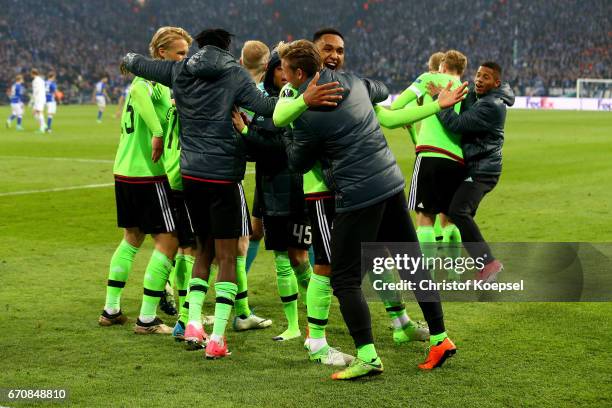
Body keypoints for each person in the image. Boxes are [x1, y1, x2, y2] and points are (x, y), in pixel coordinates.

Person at [279, 40, 465, 379]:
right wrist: (433, 103)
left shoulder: (305, 115)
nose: (282, 76)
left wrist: (288, 133)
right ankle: (439, 338)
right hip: (390, 183)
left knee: (345, 278)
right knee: (411, 263)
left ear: (299, 73)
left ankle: (368, 355)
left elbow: (297, 162)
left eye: (286, 70)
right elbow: (381, 92)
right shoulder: (356, 82)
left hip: (357, 194)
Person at [274, 29, 428, 349]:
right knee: (326, 265)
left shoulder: (350, 86)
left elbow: (385, 103)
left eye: (340, 51)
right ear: (313, 56)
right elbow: (284, 128)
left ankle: (400, 322)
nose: (334, 55)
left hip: (355, 189)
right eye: (327, 49)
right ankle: (315, 339)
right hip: (322, 191)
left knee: (376, 257)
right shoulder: (290, 95)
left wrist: (371, 91)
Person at [99, 26, 192, 335]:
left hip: (125, 170)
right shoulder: (149, 79)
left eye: (186, 53)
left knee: (133, 238)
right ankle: (148, 319)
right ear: (161, 54)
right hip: (147, 174)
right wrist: (156, 131)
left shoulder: (163, 84)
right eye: (179, 53)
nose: (184, 58)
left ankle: (111, 309)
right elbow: (139, 93)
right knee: (170, 241)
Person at [388, 50, 468, 277]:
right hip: (458, 160)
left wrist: (410, 115)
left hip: (430, 155)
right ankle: (454, 271)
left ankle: (428, 274)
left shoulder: (429, 79)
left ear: (442, 65)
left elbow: (396, 106)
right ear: (461, 70)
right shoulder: (467, 89)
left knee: (424, 218)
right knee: (449, 219)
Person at [433, 61, 515, 283]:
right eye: (478, 75)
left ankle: (488, 263)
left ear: (496, 82)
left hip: (483, 169)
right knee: (456, 212)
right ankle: (481, 265)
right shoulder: (485, 98)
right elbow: (467, 104)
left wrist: (438, 102)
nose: (479, 79)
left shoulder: (492, 105)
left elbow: (457, 124)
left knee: (459, 211)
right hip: (477, 165)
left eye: (485, 77)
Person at [31, 68, 47, 133]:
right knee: (34, 112)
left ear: (33, 73)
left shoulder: (35, 81)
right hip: (42, 97)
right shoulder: (42, 80)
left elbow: (36, 91)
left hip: (38, 98)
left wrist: (32, 100)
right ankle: (44, 125)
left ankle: (42, 128)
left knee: (39, 112)